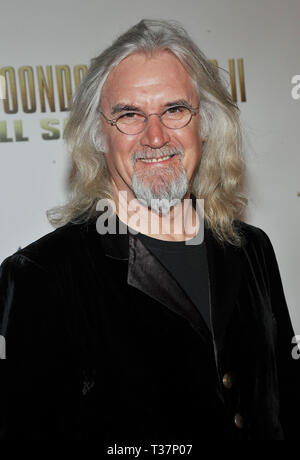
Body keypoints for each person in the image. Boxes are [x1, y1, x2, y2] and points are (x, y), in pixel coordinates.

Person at [0, 19, 299, 443]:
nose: (155, 137)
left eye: (175, 110)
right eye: (129, 115)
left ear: (205, 123)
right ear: (98, 135)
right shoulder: (41, 275)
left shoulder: (251, 249)